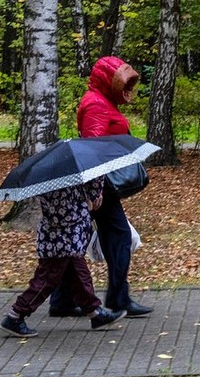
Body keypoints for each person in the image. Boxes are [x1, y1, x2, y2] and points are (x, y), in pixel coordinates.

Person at [48, 56, 153, 319]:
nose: (128, 89)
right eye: (124, 83)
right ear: (109, 80)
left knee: (79, 238)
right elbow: (91, 149)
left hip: (99, 184)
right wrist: (93, 191)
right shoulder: (96, 104)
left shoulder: (102, 101)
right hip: (99, 185)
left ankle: (62, 300)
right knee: (117, 236)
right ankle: (117, 298)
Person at [0, 176, 126, 337]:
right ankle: (16, 314)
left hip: (60, 236)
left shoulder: (47, 176)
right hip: (64, 238)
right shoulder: (66, 175)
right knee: (46, 279)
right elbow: (68, 208)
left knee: (79, 276)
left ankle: (95, 312)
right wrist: (93, 195)